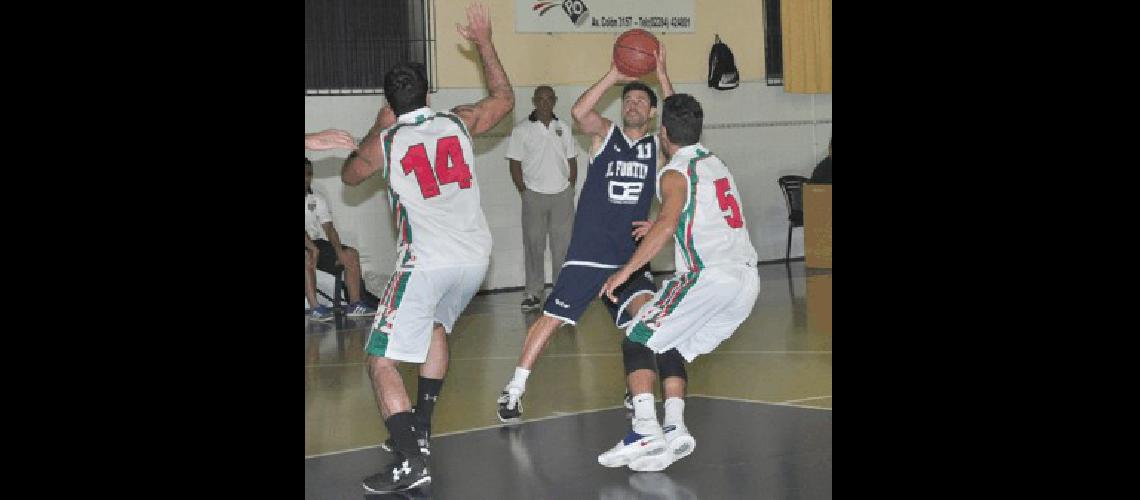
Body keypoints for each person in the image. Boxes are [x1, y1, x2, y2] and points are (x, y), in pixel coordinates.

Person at [341, 2, 514, 494]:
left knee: (380, 359)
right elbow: (503, 96)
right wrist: (483, 43)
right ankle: (422, 426)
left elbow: (353, 176)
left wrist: (379, 126)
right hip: (475, 259)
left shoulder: (388, 138)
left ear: (389, 104)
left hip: (427, 261)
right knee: (437, 328)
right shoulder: (459, 121)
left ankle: (410, 461)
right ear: (430, 95)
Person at [496, 44, 675, 425]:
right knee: (550, 319)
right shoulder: (605, 136)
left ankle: (636, 390)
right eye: (629, 100)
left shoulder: (655, 149)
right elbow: (579, 112)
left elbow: (678, 124)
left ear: (653, 112)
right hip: (589, 252)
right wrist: (615, 74)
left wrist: (660, 75)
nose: (634, 105)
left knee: (646, 321)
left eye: (643, 101)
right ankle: (513, 389)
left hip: (629, 257)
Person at [595, 93, 760, 472]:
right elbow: (696, 213)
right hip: (746, 283)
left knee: (637, 337)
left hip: (708, 277)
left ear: (663, 131)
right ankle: (673, 427)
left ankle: (644, 430)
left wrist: (625, 271)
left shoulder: (674, 172)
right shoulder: (715, 162)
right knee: (671, 345)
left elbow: (669, 223)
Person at [506, 85, 579, 310]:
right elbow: (514, 163)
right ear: (534, 101)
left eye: (549, 99)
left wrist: (569, 185)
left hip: (562, 197)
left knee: (563, 248)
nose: (545, 102)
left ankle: (561, 293)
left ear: (555, 101)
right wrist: (524, 191)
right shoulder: (521, 130)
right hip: (534, 196)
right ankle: (534, 294)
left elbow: (572, 159)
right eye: (540, 98)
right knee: (534, 246)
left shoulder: (563, 128)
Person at [306, 158, 377, 320]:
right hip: (309, 247)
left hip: (314, 243)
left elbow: (329, 228)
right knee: (308, 255)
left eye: (309, 174)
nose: (306, 178)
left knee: (350, 254)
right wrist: (312, 248)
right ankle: (315, 309)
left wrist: (339, 252)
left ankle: (355, 304)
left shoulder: (317, 199)